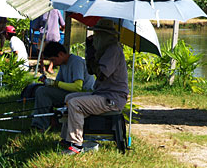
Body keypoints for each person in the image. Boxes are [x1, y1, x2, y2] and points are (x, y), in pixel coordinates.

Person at [61, 19, 129, 155]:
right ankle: (66, 139)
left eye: (97, 34)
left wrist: (93, 53)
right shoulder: (104, 50)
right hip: (102, 94)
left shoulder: (113, 49)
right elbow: (91, 71)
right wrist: (90, 51)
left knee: (75, 103)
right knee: (69, 98)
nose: (95, 37)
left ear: (105, 36)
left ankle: (76, 145)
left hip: (112, 99)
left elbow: (102, 74)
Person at [24, 41, 95, 132]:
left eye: (53, 60)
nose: (52, 63)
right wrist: (47, 82)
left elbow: (78, 87)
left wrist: (55, 83)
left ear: (61, 54)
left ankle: (40, 125)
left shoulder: (76, 62)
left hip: (83, 95)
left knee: (43, 92)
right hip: (71, 93)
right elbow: (58, 84)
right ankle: (48, 120)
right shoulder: (63, 64)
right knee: (43, 90)